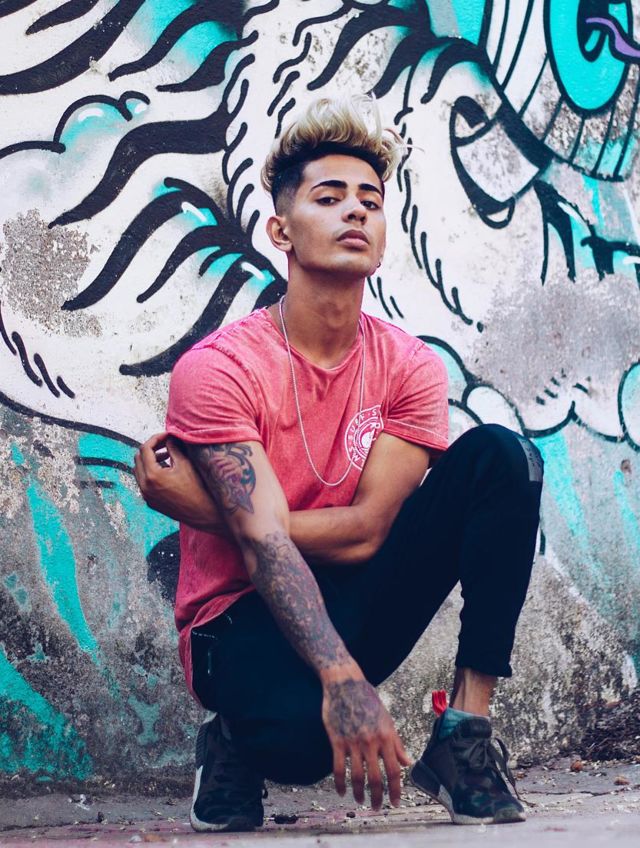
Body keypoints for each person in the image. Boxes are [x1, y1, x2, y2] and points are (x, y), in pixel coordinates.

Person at [134, 94, 543, 833]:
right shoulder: (221, 368)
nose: (355, 210)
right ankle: (230, 744)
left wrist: (206, 509)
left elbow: (366, 533)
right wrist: (342, 678)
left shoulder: (409, 368)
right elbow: (262, 550)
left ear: (382, 236)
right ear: (280, 230)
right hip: (236, 622)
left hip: (350, 593)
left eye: (370, 201)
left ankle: (465, 736)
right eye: (328, 198)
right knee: (301, 747)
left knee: (503, 458)